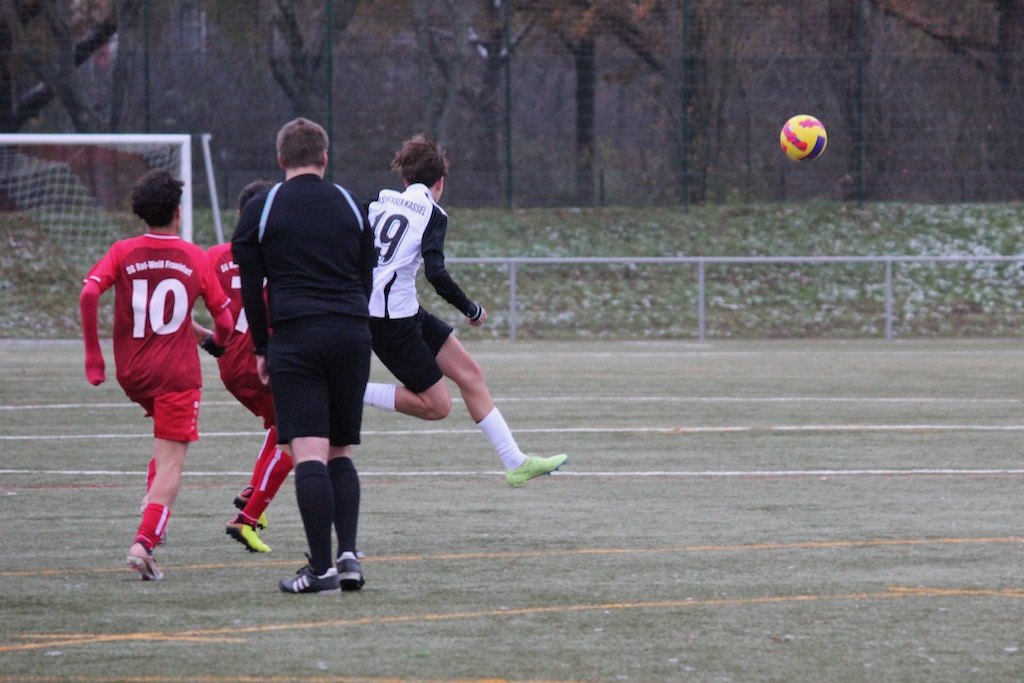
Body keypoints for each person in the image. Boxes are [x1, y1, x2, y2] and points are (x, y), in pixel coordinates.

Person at [363, 134, 567, 487]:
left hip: (401, 312)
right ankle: (351, 389)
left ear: (405, 178)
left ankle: (515, 462)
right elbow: (436, 273)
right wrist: (470, 309)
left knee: (470, 373)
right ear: (440, 183)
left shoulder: (378, 202)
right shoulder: (432, 213)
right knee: (437, 406)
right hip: (390, 323)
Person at [231, 118, 376, 595]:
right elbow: (366, 274)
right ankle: (348, 556)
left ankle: (320, 570)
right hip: (351, 333)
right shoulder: (352, 204)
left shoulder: (262, 206)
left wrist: (261, 346)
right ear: (324, 158)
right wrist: (353, 322)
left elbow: (251, 286)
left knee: (309, 451)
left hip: (297, 335)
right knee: (340, 450)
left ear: (280, 159)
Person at [80, 170, 233, 581]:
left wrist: (94, 357)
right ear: (178, 212)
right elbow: (225, 321)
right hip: (176, 376)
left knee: (164, 444)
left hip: (133, 373)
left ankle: (154, 514)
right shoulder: (195, 257)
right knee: (171, 463)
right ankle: (144, 543)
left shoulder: (122, 251)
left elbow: (90, 292)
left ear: (141, 213)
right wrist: (217, 342)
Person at [192, 179, 292, 554]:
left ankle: (253, 492)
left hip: (230, 363)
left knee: (284, 423)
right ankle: (247, 517)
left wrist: (205, 337)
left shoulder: (216, 255)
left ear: (239, 214)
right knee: (304, 432)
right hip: (264, 358)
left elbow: (175, 303)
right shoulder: (281, 254)